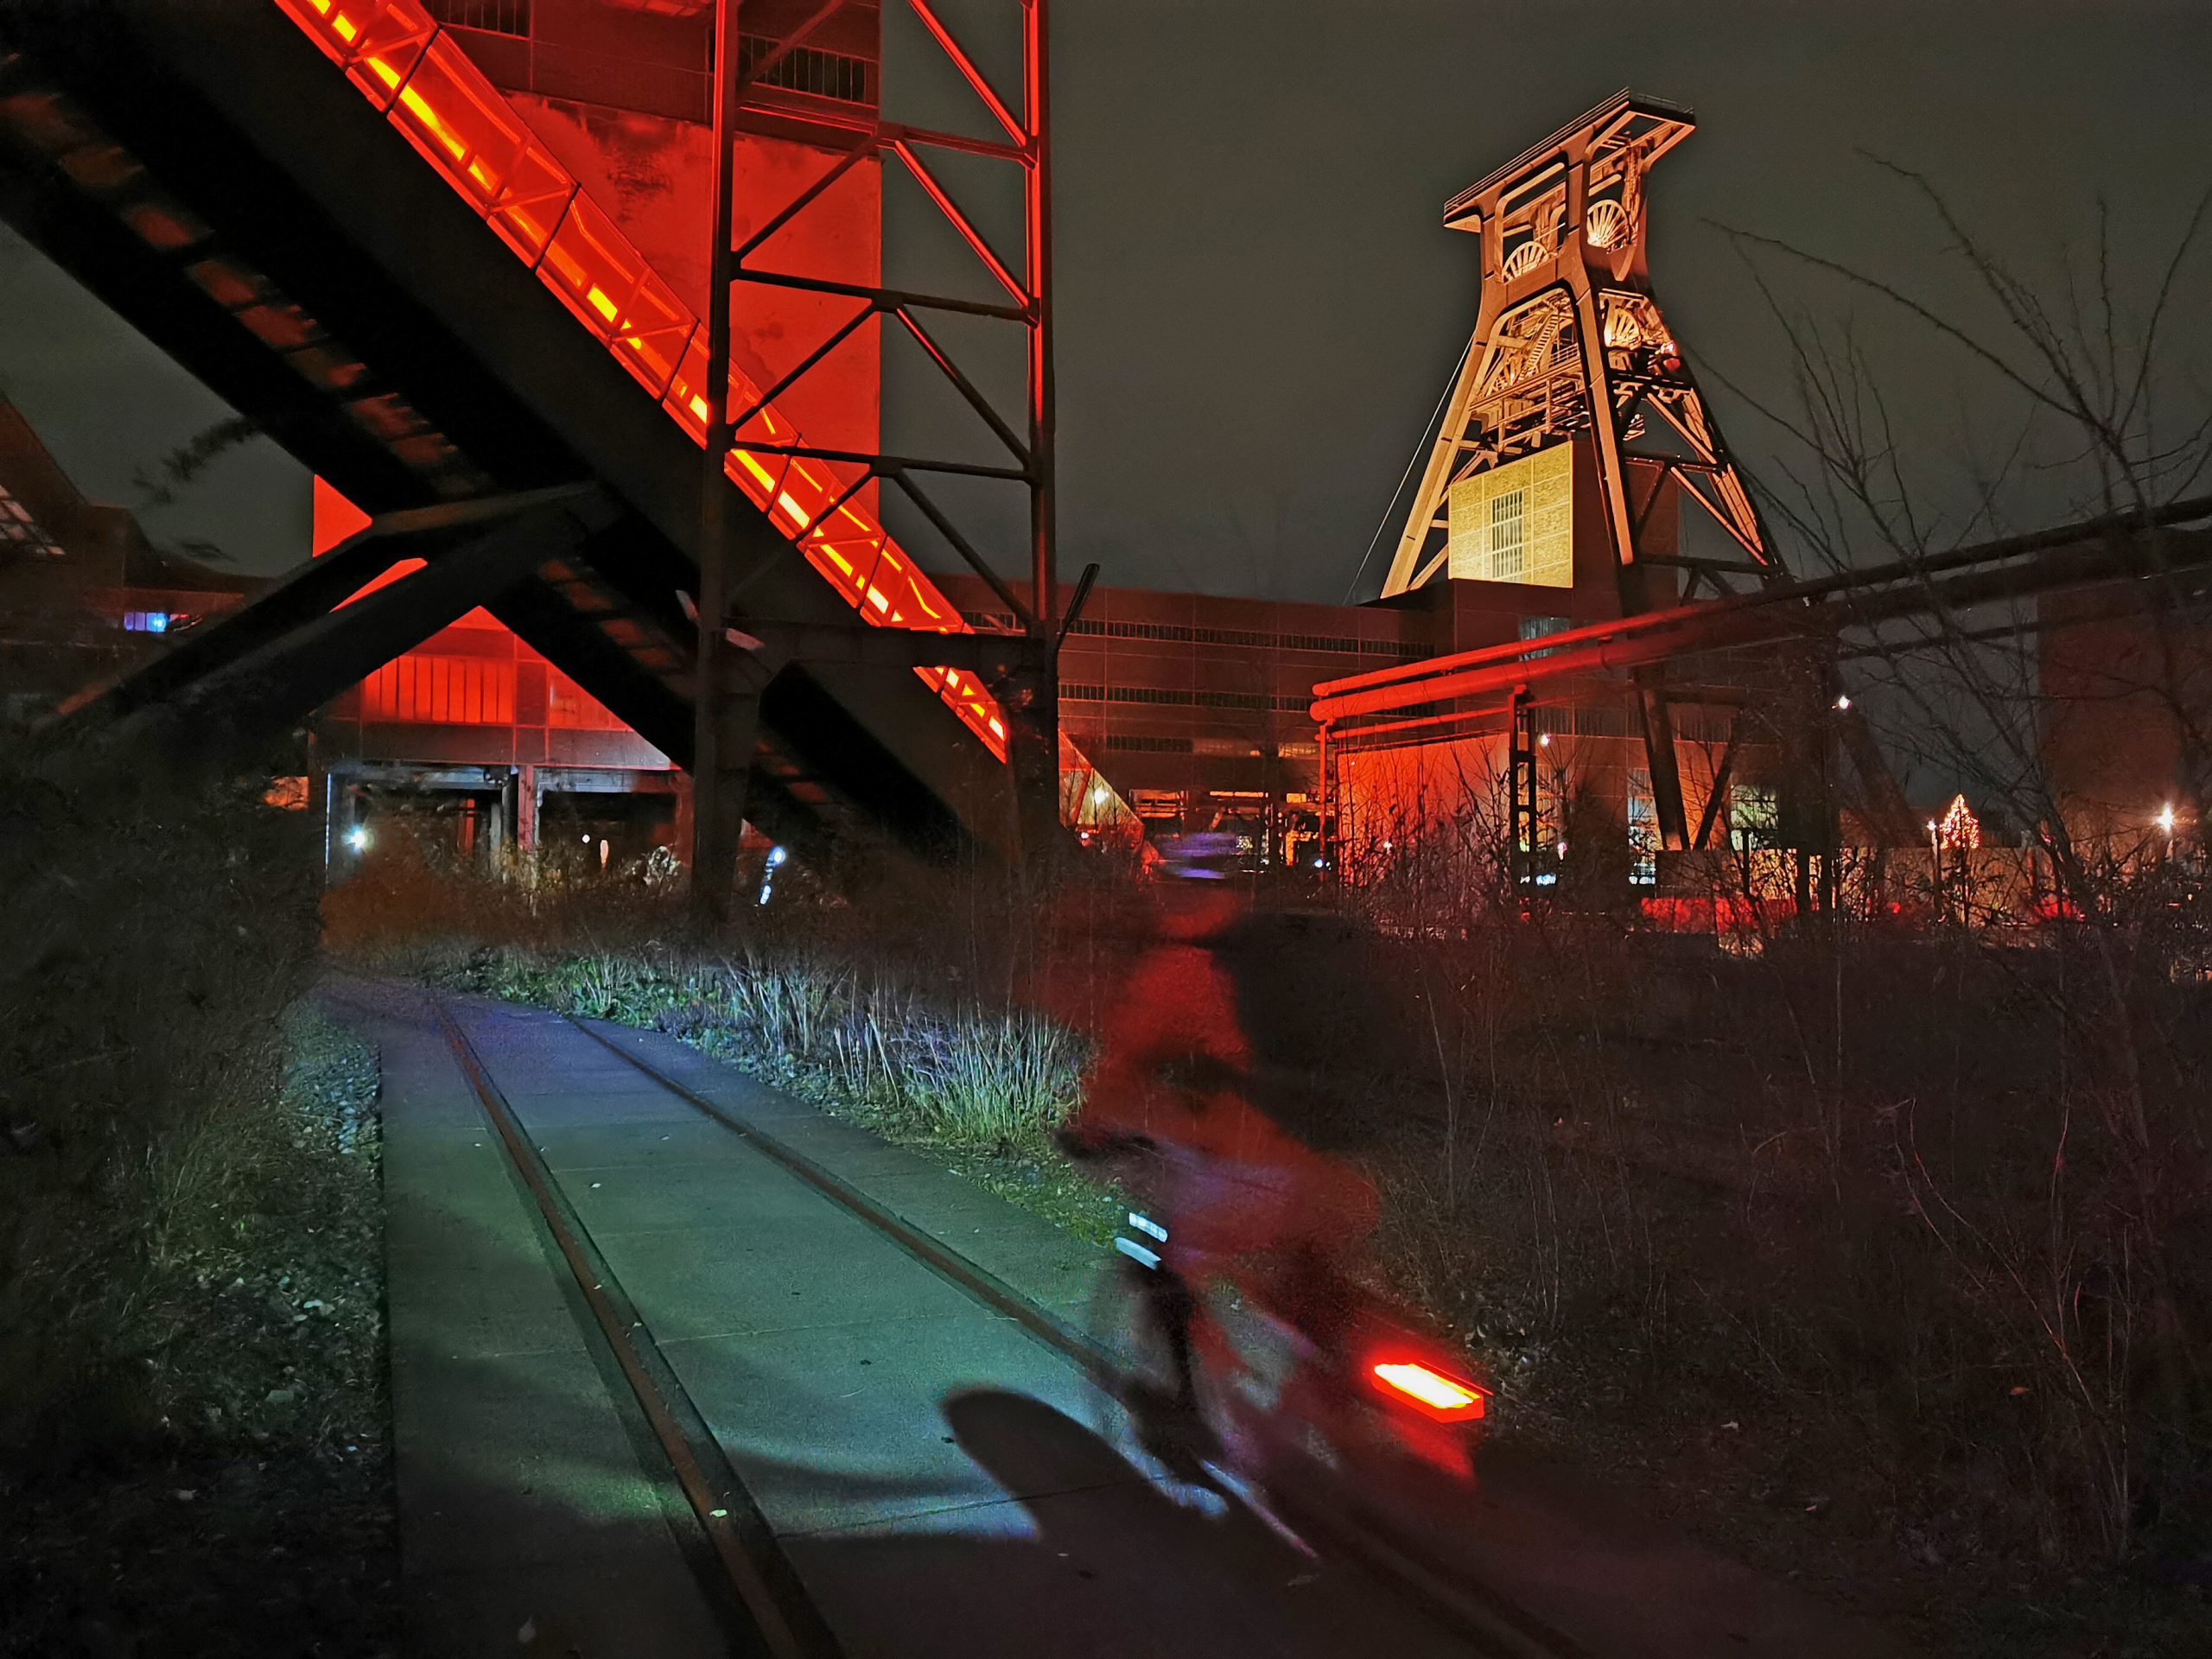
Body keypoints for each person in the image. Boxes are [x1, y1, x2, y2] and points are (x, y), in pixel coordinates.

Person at [1058, 836, 1378, 1407]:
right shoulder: (1270, 949)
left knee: (1164, 1263)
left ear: (1172, 886)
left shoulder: (1182, 962)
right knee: (1296, 1283)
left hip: (1242, 1162)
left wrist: (1088, 1123)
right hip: (1325, 1160)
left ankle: (1184, 1408)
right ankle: (1343, 1398)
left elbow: (1127, 1057)